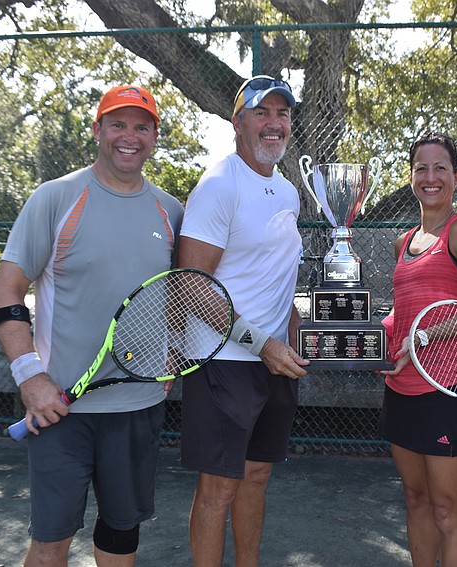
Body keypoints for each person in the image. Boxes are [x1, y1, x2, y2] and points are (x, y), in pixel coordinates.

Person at [0, 85, 184, 566]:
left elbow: (179, 299)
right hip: (60, 409)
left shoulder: (171, 211)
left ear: (154, 137)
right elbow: (6, 293)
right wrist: (32, 378)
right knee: (51, 539)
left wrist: (177, 350)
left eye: (142, 126)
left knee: (121, 534)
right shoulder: (54, 198)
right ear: (98, 130)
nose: (129, 136)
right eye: (118, 124)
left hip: (138, 405)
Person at [177, 75, 308, 567]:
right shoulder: (218, 185)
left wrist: (299, 338)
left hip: (272, 362)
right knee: (218, 490)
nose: (273, 124)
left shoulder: (289, 192)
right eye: (261, 113)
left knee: (255, 478)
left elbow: (273, 280)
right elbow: (191, 285)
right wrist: (263, 344)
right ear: (238, 122)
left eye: (282, 114)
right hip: (224, 360)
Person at [378, 131, 457, 567]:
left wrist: (425, 336)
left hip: (448, 390)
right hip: (402, 389)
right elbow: (404, 312)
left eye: (440, 168)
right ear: (412, 177)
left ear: (456, 177)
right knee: (415, 499)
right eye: (421, 169)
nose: (430, 177)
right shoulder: (403, 241)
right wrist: (376, 342)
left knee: (448, 511)